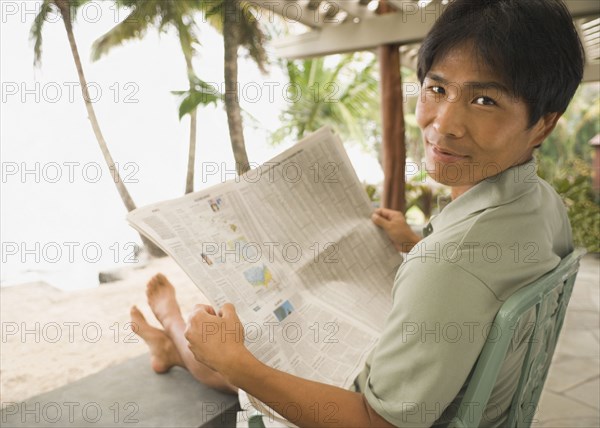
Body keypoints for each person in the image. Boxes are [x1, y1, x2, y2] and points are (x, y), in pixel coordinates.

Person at [130, 0, 584, 426]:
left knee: (240, 352)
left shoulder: (450, 265)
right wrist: (413, 243)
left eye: (485, 100)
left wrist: (240, 364)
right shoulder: (541, 204)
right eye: (437, 89)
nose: (443, 124)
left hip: (406, 408)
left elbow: (378, 422)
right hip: (457, 382)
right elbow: (483, 279)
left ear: (544, 122)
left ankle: (171, 330)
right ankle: (170, 345)